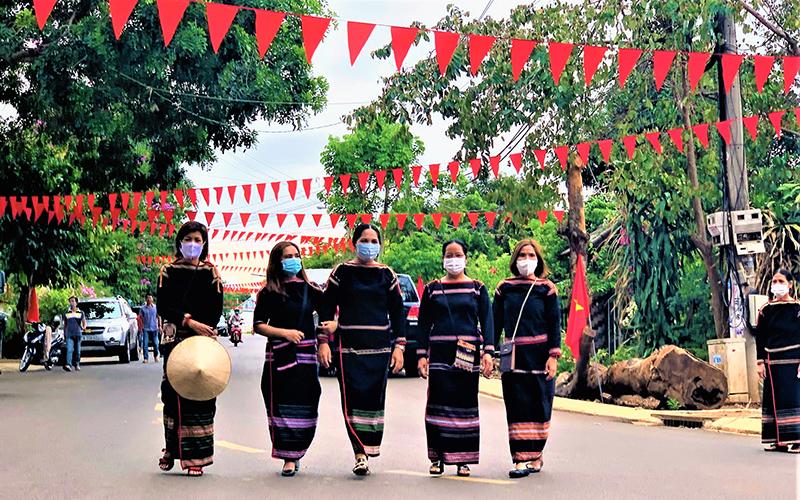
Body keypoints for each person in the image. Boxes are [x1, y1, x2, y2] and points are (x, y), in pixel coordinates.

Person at [318, 223, 406, 476]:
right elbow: (326, 308)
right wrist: (324, 342)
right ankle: (359, 453)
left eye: (374, 240)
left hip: (379, 350)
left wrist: (399, 347)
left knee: (374, 401)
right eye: (364, 239)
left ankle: (368, 447)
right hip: (348, 350)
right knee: (352, 400)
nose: (369, 244)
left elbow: (398, 313)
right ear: (354, 242)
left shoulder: (387, 275)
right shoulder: (341, 272)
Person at [253, 241, 336, 476]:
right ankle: (287, 458)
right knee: (279, 405)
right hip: (278, 357)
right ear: (277, 262)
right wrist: (284, 333)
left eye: (296, 255)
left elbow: (327, 318)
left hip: (306, 359)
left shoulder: (311, 291)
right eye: (288, 255)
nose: (293, 259)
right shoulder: (268, 292)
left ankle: (298, 450)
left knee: (307, 402)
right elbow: (258, 325)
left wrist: (324, 342)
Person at [417, 239, 494, 477]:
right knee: (437, 405)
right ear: (443, 259)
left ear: (466, 258)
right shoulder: (432, 289)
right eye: (449, 255)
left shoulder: (477, 288)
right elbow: (423, 325)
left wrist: (488, 352)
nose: (453, 259)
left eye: (457, 254)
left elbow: (488, 321)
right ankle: (437, 458)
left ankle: (463, 460)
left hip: (467, 356)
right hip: (439, 356)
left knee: (465, 405)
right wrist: (422, 355)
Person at [156, 221, 223, 477]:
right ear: (179, 242)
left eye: (197, 239)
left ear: (204, 244)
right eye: (188, 239)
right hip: (175, 342)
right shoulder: (168, 271)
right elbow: (164, 306)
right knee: (171, 395)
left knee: (201, 396)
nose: (192, 244)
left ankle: (198, 457)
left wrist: (201, 326)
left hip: (203, 341)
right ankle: (171, 449)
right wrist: (188, 321)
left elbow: (215, 310)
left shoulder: (211, 273)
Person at [493, 239, 562, 478]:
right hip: (514, 358)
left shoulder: (547, 289)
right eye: (522, 255)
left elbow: (554, 323)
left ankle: (536, 453)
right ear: (515, 260)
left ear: (538, 259)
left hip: (540, 356)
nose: (526, 260)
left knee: (540, 405)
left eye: (531, 255)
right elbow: (496, 322)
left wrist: (553, 356)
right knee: (517, 405)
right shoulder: (504, 288)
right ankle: (520, 459)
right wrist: (489, 352)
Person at [754, 269, 800, 453]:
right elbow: (761, 337)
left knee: (793, 399)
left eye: (781, 281)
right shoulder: (766, 310)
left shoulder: (797, 309)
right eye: (774, 281)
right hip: (772, 363)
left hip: (793, 362)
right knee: (773, 400)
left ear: (790, 284)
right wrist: (760, 362)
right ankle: (777, 441)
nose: (777, 284)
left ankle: (797, 440)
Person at [63, 296, 86, 372]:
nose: (72, 303)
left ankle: (77, 364)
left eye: (73, 301)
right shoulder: (66, 313)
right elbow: (65, 324)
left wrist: (83, 327)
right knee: (69, 349)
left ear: (76, 303)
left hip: (78, 333)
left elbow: (84, 322)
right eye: (70, 301)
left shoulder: (81, 312)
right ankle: (68, 365)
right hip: (69, 334)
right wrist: (64, 333)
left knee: (77, 350)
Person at [139, 294, 161, 364]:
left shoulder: (155, 307)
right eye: (148, 298)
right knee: (145, 343)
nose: (149, 299)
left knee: (155, 343)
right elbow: (140, 318)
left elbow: (159, 317)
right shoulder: (142, 308)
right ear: (146, 299)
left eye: (150, 298)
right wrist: (141, 327)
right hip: (146, 328)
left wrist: (160, 326)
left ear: (152, 299)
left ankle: (156, 356)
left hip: (154, 328)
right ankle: (146, 358)